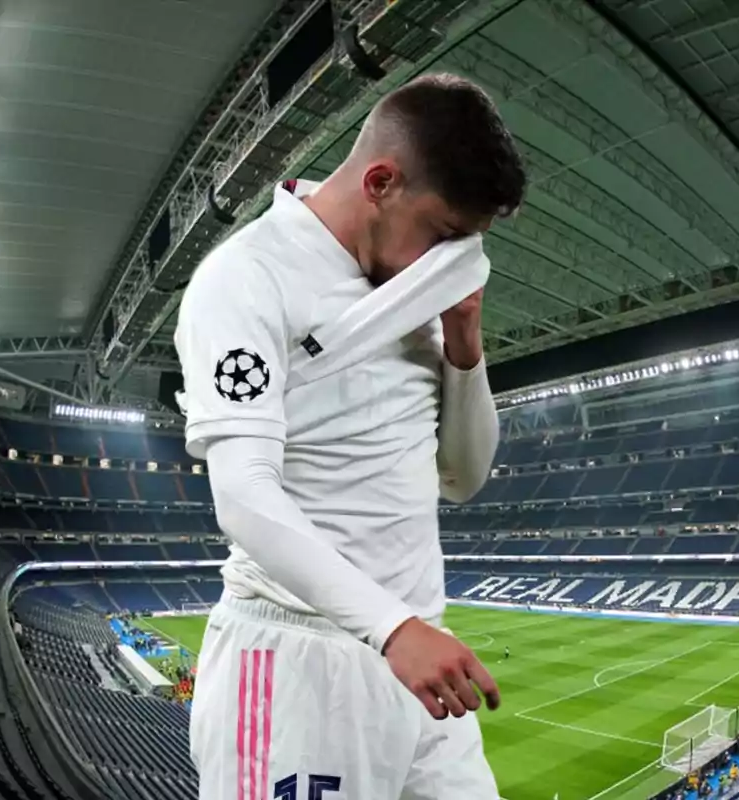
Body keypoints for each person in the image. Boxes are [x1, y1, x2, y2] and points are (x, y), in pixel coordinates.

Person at [176, 73, 524, 799]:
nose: (449, 259)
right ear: (380, 181)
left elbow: (462, 478)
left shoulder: (420, 292)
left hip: (423, 663)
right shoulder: (244, 280)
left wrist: (464, 339)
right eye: (443, 234)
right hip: (299, 664)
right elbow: (242, 495)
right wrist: (393, 630)